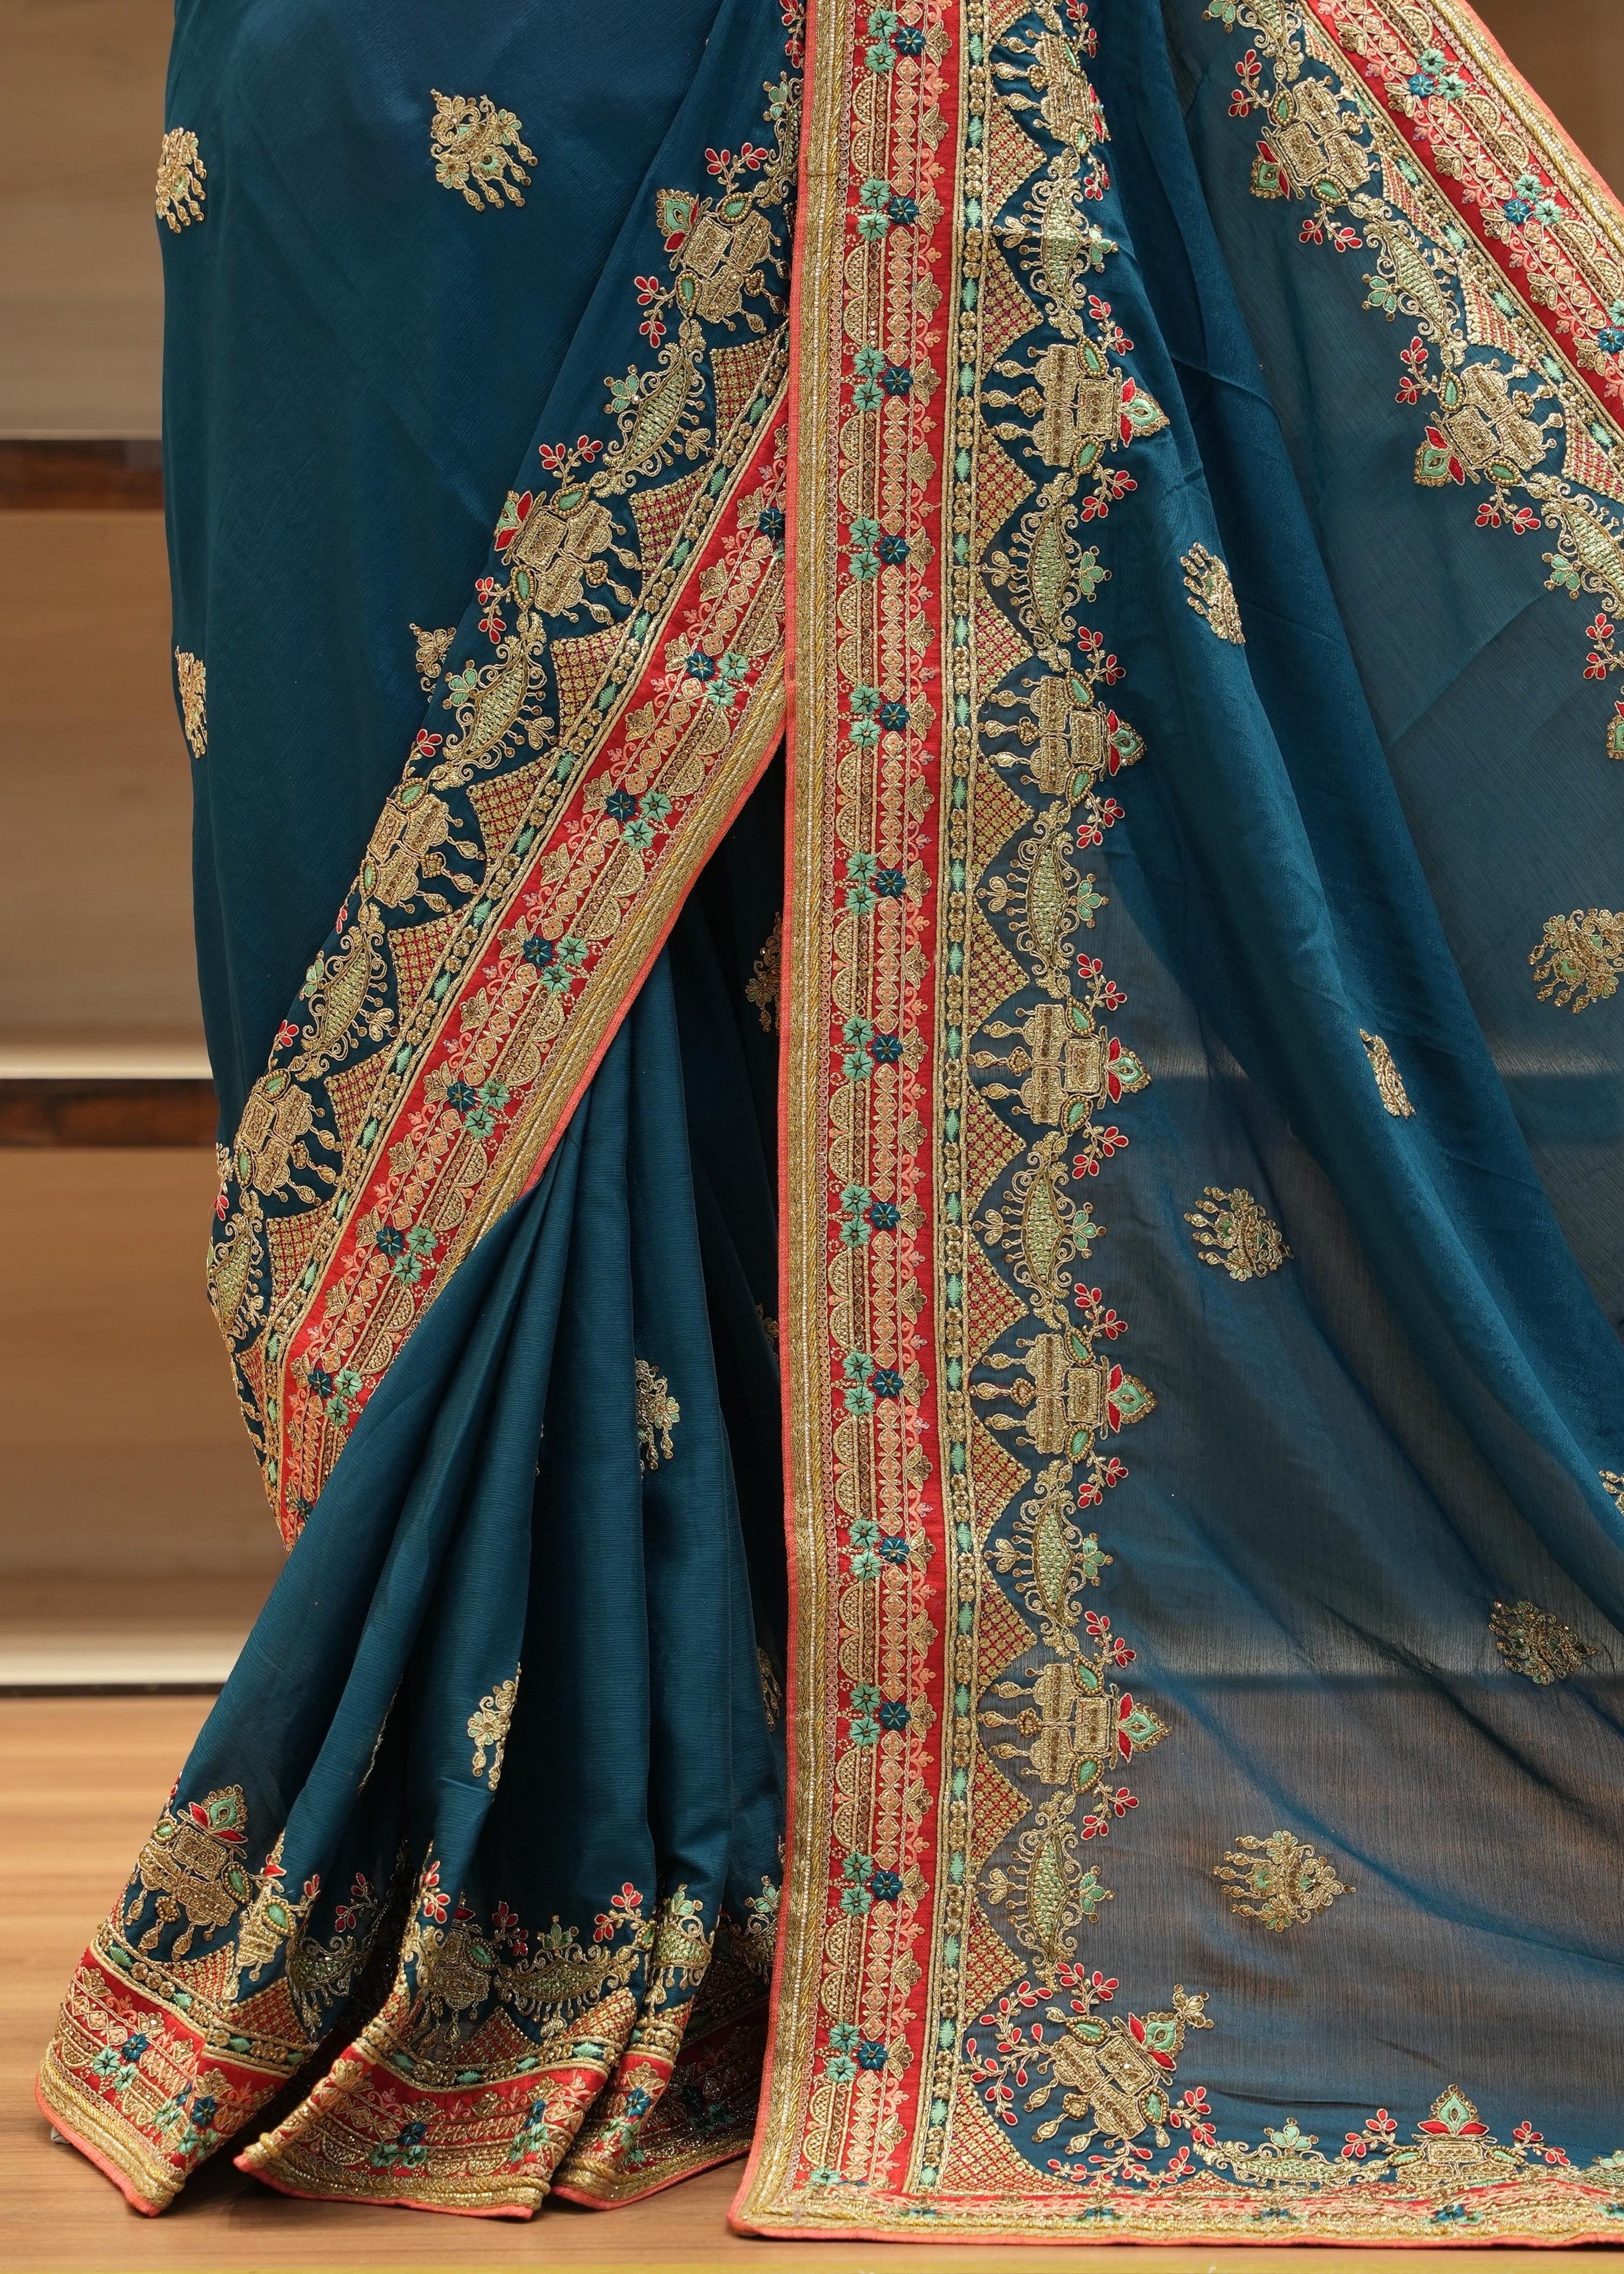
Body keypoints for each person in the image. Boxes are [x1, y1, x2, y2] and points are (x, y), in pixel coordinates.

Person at [42, 0, 1624, 2239]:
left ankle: (630, 1829)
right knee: (420, 926)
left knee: (681, 956)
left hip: (718, 89)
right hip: (356, 109)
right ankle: (579, 1816)